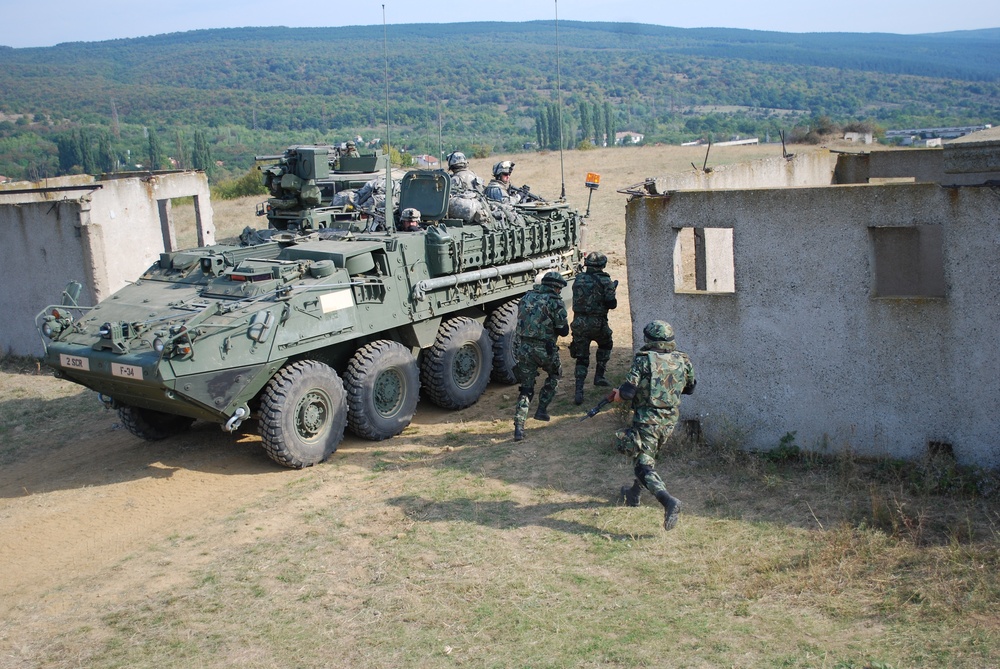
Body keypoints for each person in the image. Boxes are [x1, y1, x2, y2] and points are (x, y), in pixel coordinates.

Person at [611, 320, 695, 531]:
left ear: (648, 339)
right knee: (649, 457)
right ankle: (634, 494)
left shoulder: (643, 361)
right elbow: (690, 388)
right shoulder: (682, 359)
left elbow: (629, 393)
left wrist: (618, 395)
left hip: (647, 420)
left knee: (643, 466)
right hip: (669, 419)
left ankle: (668, 501)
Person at [512, 271, 569, 441]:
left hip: (524, 348)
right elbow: (563, 330)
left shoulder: (526, 297)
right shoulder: (555, 302)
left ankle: (519, 427)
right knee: (555, 374)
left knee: (526, 388)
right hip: (545, 349)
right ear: (555, 287)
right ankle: (542, 409)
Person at [570, 251, 618, 405]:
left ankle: (578, 391)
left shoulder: (578, 279)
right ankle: (599, 376)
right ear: (602, 265)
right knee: (606, 344)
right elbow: (612, 304)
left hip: (579, 323)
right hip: (598, 323)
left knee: (582, 357)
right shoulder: (605, 280)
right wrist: (612, 289)